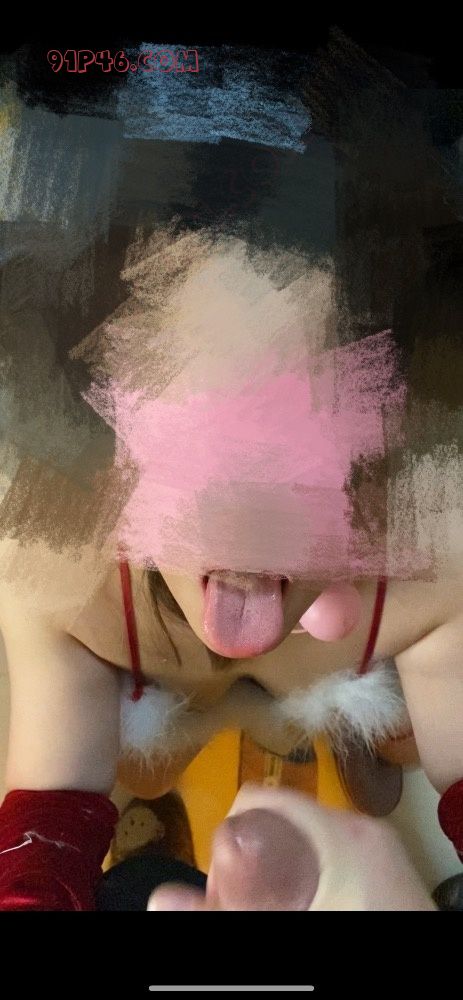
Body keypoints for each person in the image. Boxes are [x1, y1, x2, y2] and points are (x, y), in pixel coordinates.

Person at [0, 34, 462, 910]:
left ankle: (357, 736)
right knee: (144, 760)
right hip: (153, 660)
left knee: (390, 731)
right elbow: (46, 802)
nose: (248, 519)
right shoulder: (47, 550)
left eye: (311, 436)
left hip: (357, 637)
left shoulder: (437, 538)